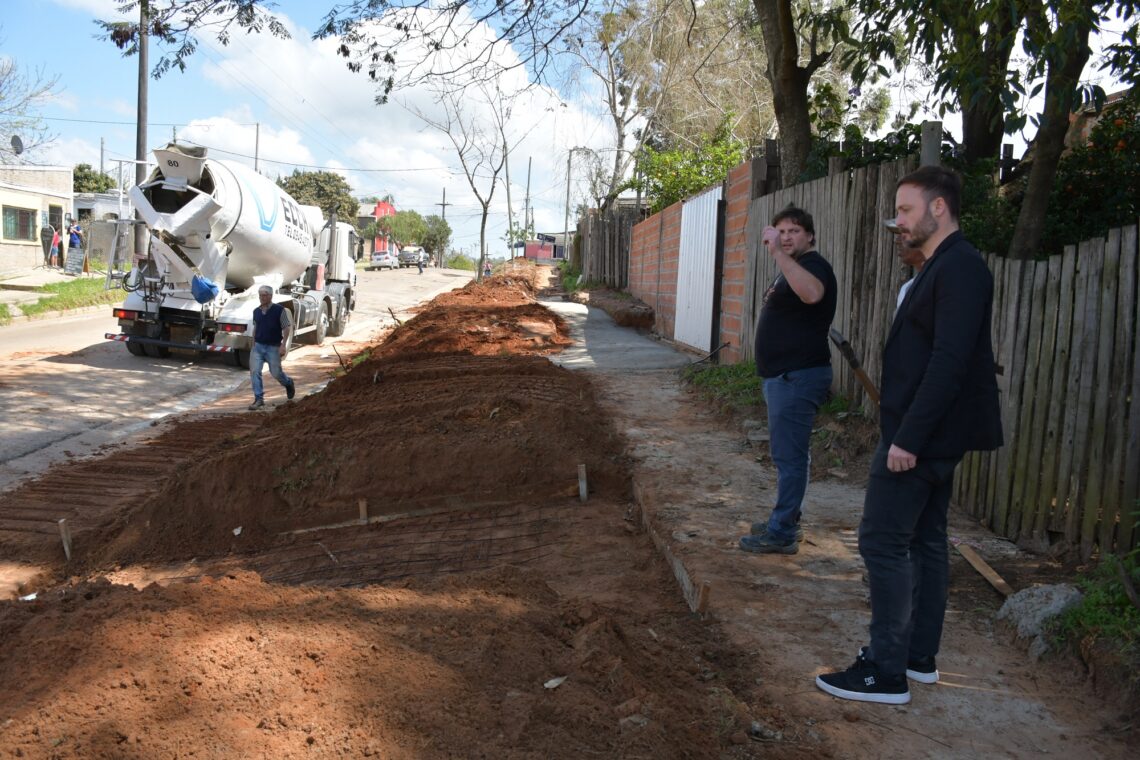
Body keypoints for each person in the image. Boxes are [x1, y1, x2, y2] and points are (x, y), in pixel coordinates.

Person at [816, 166, 1003, 705]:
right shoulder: (942, 265)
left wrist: (909, 438)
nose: (897, 220)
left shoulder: (959, 267)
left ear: (938, 208)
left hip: (922, 437)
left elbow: (949, 362)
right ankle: (917, 657)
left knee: (882, 540)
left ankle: (885, 671)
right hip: (929, 434)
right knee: (924, 539)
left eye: (905, 210)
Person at [738, 205, 837, 555]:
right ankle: (786, 520)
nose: (786, 237)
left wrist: (779, 254)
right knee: (790, 456)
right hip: (784, 377)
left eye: (794, 231)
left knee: (790, 458)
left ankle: (781, 532)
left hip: (797, 376)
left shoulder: (814, 266)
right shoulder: (792, 267)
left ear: (810, 236)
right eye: (780, 232)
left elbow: (812, 294)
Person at [248, 284, 296, 410]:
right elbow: (256, 328)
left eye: (264, 295)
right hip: (258, 346)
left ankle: (288, 383)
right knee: (254, 371)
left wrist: (283, 345)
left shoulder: (279, 310)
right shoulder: (256, 311)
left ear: (270, 296)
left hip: (273, 347)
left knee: (276, 373)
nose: (262, 298)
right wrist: (253, 344)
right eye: (260, 295)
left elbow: (286, 328)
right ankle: (259, 399)